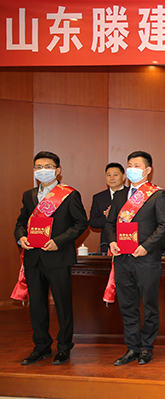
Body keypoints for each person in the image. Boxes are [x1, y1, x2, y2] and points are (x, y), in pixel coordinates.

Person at [14, 151, 88, 366]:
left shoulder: (69, 194)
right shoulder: (28, 195)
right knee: (36, 305)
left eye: (47, 166)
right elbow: (21, 223)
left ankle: (64, 347)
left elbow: (80, 223)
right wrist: (21, 237)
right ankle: (41, 346)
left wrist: (59, 241)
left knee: (62, 304)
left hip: (58, 257)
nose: (42, 170)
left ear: (58, 170)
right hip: (33, 258)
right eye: (38, 167)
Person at [104, 151, 165, 366]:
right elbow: (109, 224)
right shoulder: (119, 196)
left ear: (148, 170)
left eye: (137, 165)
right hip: (122, 259)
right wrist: (112, 241)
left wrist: (146, 246)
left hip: (146, 259)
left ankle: (146, 347)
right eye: (130, 165)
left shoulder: (157, 195)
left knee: (149, 305)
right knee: (127, 305)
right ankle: (132, 347)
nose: (132, 169)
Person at [88, 162, 126, 250]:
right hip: (107, 243)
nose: (112, 178)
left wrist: (117, 214)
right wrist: (108, 217)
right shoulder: (98, 197)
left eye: (115, 175)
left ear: (123, 177)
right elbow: (92, 222)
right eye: (109, 175)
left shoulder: (132, 195)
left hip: (128, 239)